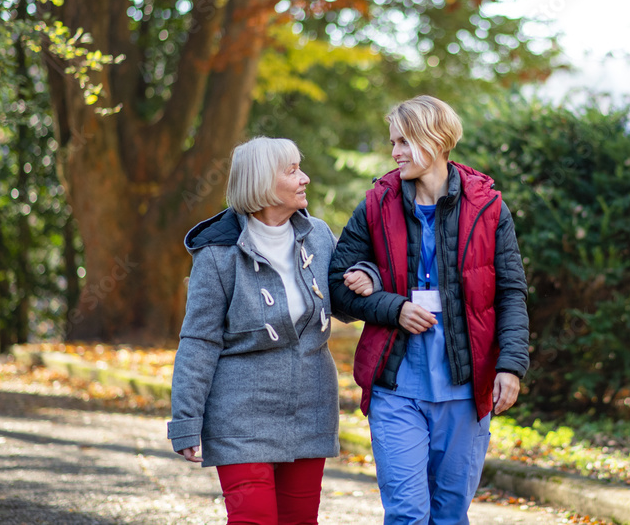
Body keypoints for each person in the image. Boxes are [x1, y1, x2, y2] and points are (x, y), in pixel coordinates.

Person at [329, 96, 530, 525]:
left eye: (404, 141)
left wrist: (511, 366)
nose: (395, 152)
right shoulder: (376, 204)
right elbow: (336, 286)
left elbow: (511, 292)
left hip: (466, 388)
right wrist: (392, 307)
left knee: (450, 514)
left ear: (436, 140)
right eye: (393, 142)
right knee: (406, 513)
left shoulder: (489, 208)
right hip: (395, 385)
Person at [168, 136, 376, 525]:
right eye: (292, 170)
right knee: (254, 519)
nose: (305, 178)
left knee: (300, 520)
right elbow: (199, 341)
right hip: (240, 414)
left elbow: (345, 302)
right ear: (263, 182)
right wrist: (186, 420)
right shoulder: (217, 254)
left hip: (310, 408)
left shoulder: (317, 235)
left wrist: (367, 275)